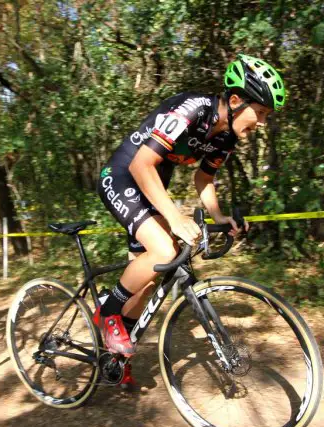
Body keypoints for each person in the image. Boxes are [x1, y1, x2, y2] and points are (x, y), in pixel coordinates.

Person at [95, 55, 285, 386]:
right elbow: (142, 165)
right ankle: (108, 313)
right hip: (124, 175)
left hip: (151, 186)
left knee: (151, 277)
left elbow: (204, 179)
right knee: (166, 251)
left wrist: (219, 216)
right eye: (263, 113)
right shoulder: (193, 108)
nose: (264, 122)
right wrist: (174, 217)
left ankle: (114, 354)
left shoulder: (225, 137)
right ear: (237, 101)